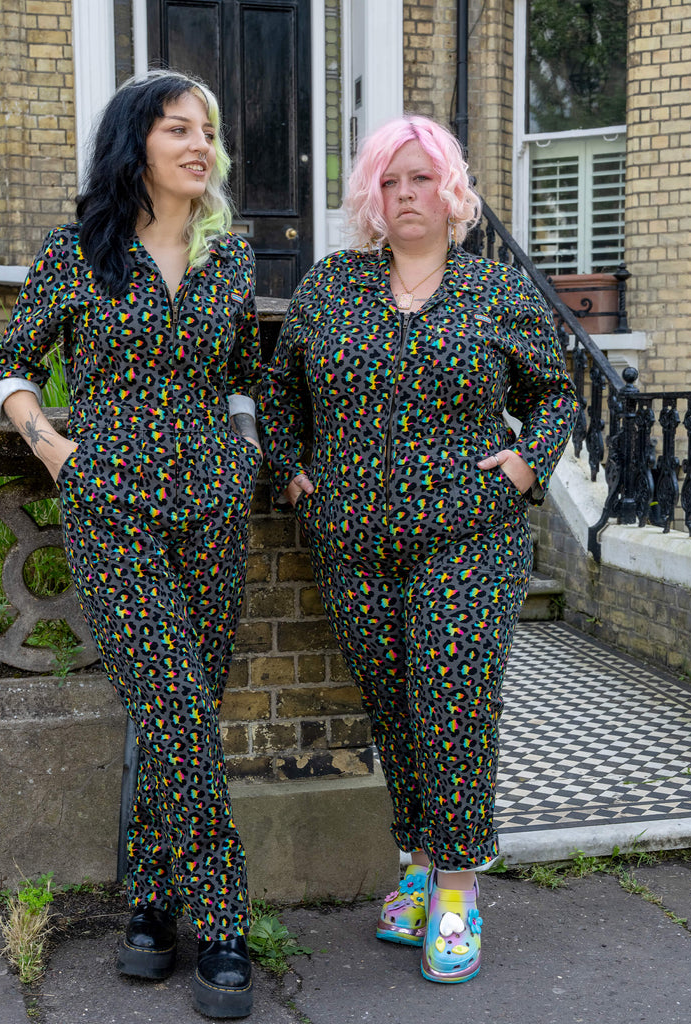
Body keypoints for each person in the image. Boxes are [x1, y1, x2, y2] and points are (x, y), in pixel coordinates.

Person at [257, 115, 578, 984]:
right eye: (390, 180)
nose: (404, 194)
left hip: (468, 537)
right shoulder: (332, 286)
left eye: (421, 178)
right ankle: (416, 863)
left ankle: (458, 888)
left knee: (453, 701)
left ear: (451, 191)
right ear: (373, 194)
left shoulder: (493, 290)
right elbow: (279, 390)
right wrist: (291, 471)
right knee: (394, 709)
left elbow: (553, 394)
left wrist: (526, 465)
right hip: (353, 542)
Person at [0, 70, 262, 1019]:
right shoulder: (78, 251)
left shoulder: (230, 255)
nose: (200, 146)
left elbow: (241, 373)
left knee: (183, 707)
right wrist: (55, 451)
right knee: (175, 704)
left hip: (212, 508)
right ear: (134, 142)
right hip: (112, 507)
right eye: (178, 129)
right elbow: (11, 365)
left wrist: (244, 454)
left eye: (207, 132)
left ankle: (150, 903)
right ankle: (222, 921)